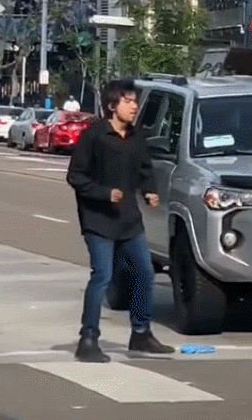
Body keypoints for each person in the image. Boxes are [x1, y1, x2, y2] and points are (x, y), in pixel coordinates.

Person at [67, 79, 175, 362]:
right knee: (102, 276)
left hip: (129, 219)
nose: (134, 107)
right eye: (128, 101)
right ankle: (88, 339)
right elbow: (75, 176)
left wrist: (150, 191)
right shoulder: (93, 136)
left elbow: (145, 170)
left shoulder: (137, 137)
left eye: (135, 102)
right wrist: (104, 193)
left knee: (145, 273)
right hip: (98, 220)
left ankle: (141, 333)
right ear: (112, 105)